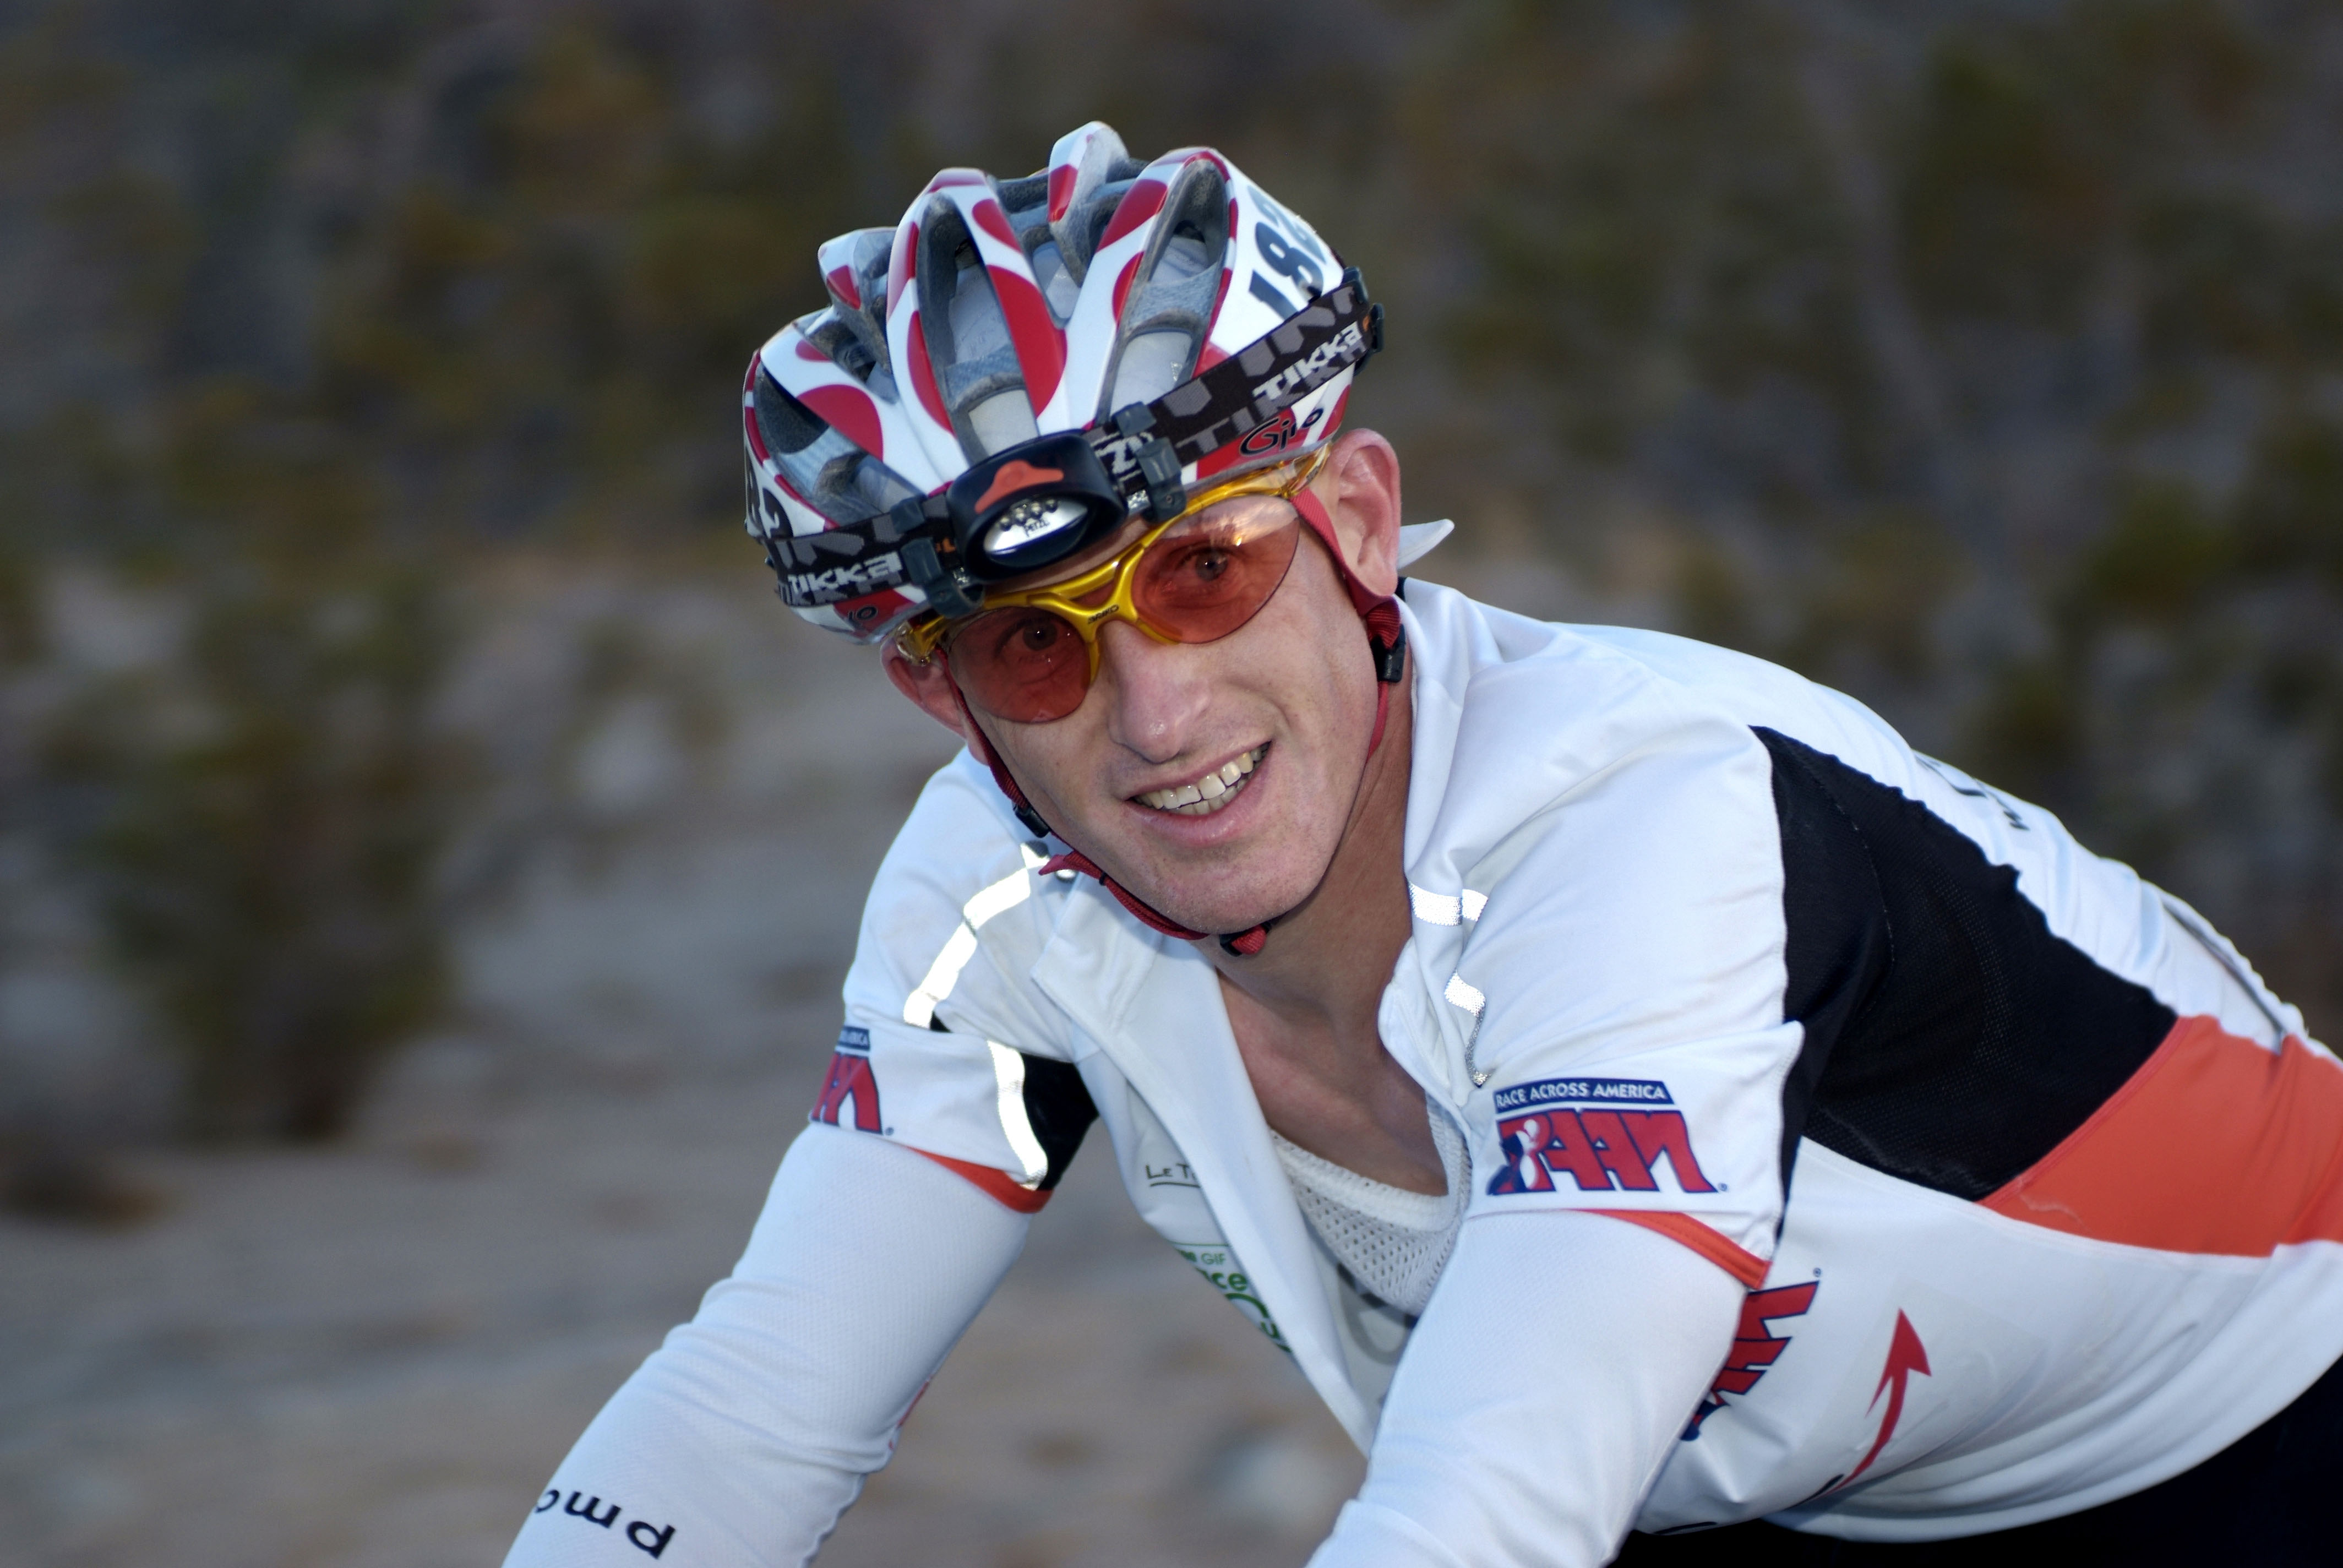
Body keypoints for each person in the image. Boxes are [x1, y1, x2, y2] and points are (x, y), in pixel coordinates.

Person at [500, 124, 2343, 1568]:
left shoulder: (1633, 819)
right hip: (1774, 1500)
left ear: (1361, 525)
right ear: (943, 696)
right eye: (1034, 647)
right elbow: (757, 1407)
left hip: (2261, 1426)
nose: (1158, 717)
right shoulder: (989, 899)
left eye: (1206, 571)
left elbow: (1488, 1517)